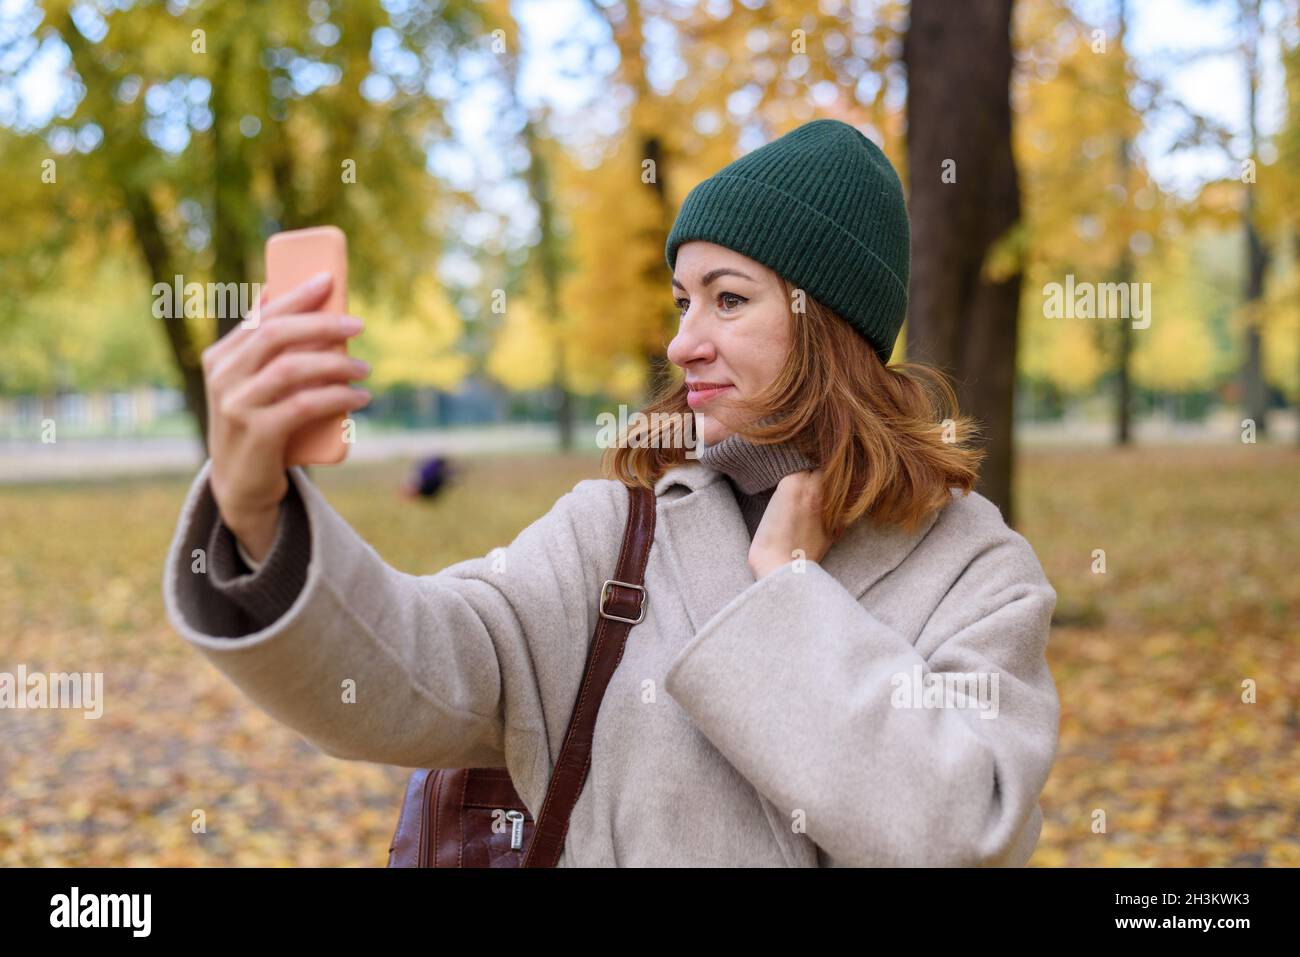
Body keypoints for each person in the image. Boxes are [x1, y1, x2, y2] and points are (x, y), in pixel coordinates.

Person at [162, 118, 1060, 867]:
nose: (683, 343)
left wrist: (787, 587)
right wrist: (253, 515)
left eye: (729, 299)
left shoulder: (976, 571)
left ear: (826, 321)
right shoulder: (617, 530)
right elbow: (410, 669)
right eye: (682, 301)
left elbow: (960, 830)